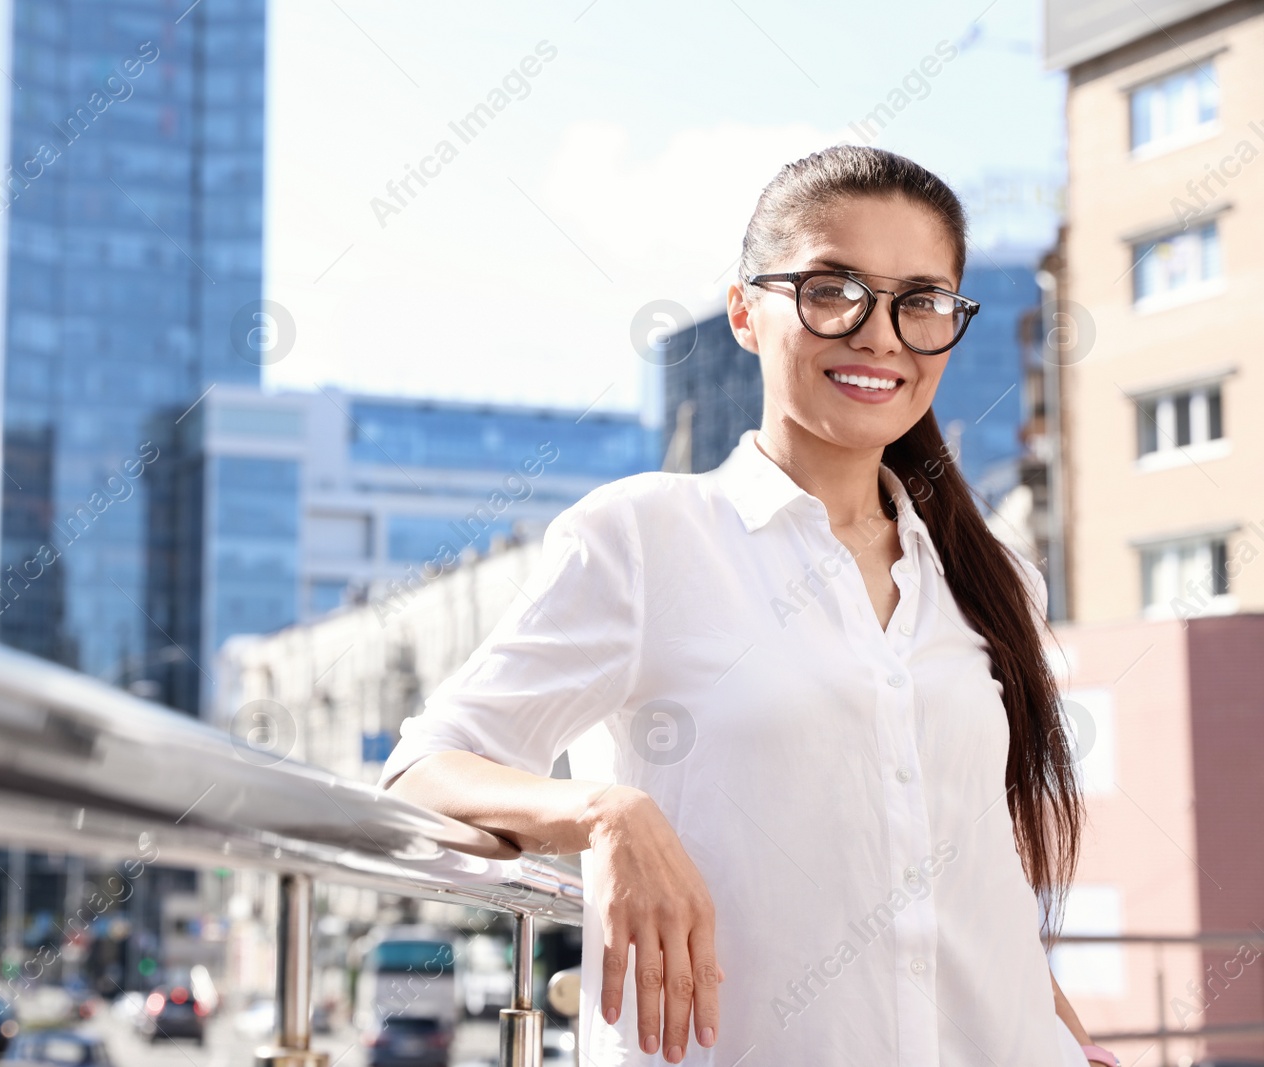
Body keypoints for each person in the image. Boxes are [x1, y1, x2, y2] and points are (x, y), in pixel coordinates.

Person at [376, 145, 1116, 1067]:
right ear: (744, 311)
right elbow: (420, 772)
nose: (879, 334)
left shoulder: (993, 573)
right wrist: (605, 812)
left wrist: (1061, 1028)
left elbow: (968, 866)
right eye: (830, 289)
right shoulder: (645, 538)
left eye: (920, 300)